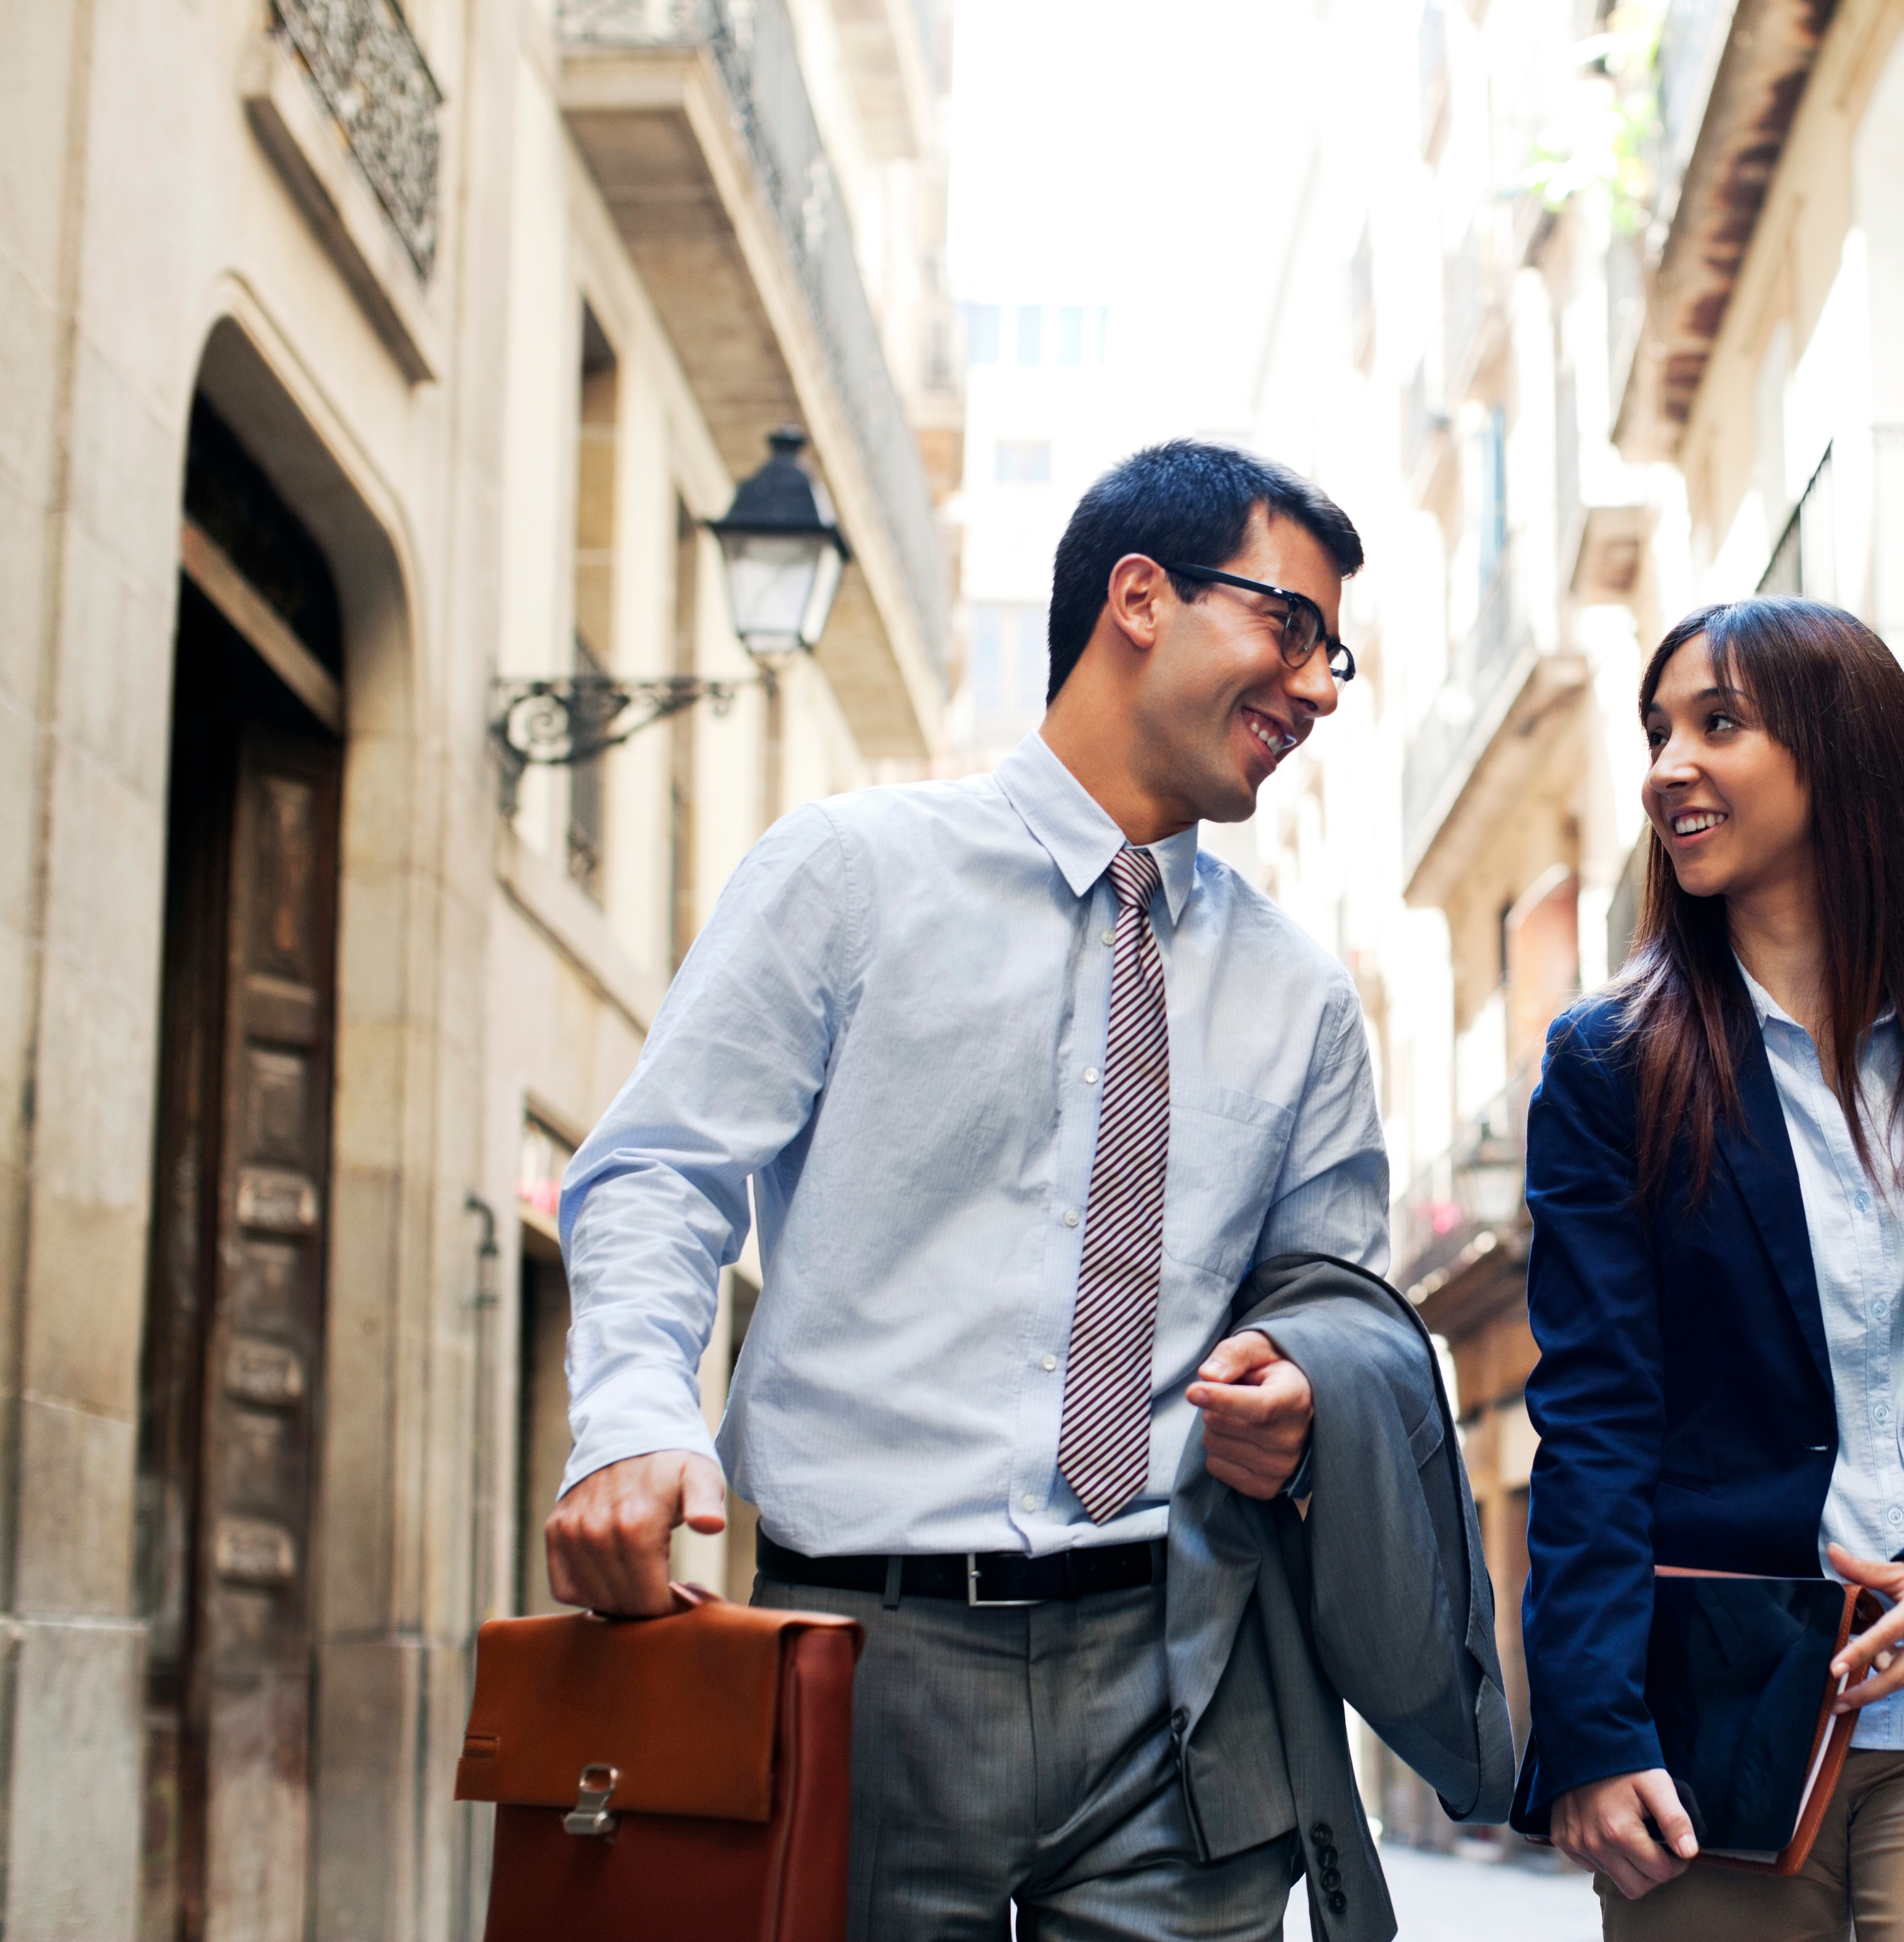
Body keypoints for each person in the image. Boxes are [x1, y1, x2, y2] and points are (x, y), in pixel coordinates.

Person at [547, 440, 1401, 1940]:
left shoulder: (1305, 996)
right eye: (1292, 627)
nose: (1322, 686)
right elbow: (658, 1170)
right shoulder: (848, 874)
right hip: (854, 1653)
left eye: (1337, 653)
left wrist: (1301, 1387)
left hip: (1181, 1672)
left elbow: (1336, 1302)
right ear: (1140, 596)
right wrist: (628, 1416)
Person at [1510, 598, 1904, 1940]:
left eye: (1718, 724)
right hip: (1713, 1730)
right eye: (1657, 730)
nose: (1666, 765)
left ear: (1842, 750)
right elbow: (1595, 1415)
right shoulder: (1607, 1068)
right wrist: (1587, 1727)